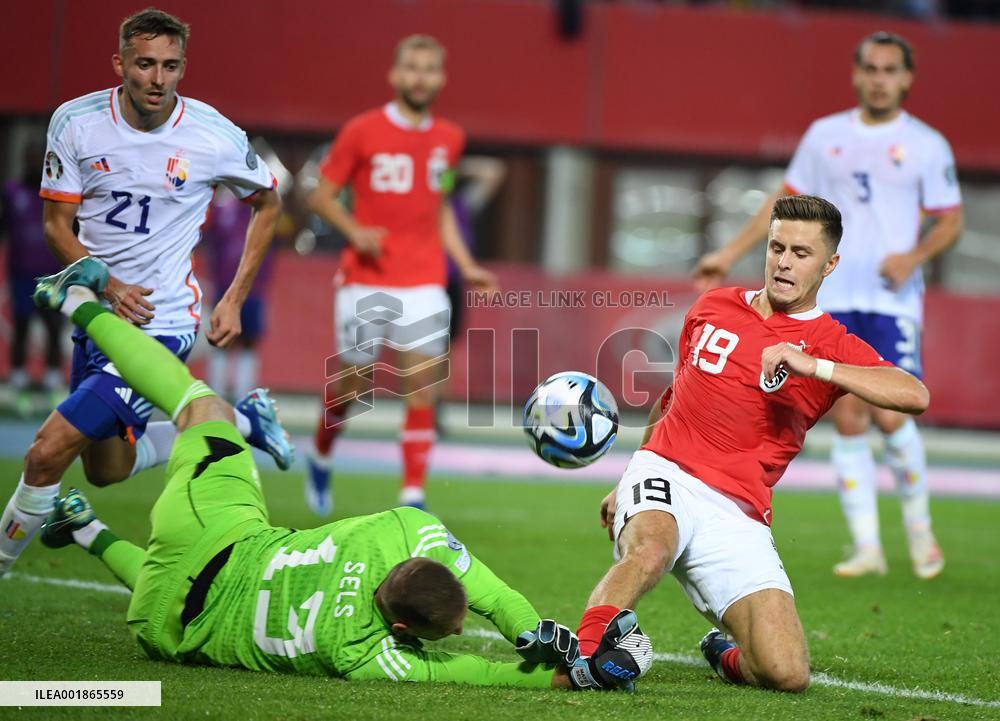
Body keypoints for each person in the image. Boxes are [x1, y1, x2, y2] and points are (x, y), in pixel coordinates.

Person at [31, 256, 651, 690]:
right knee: (161, 579)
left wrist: (527, 629)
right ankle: (86, 531)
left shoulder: (397, 532)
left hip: (217, 533)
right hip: (165, 628)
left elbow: (481, 589)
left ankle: (80, 303)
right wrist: (566, 671)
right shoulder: (360, 654)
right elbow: (483, 671)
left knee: (199, 406)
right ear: (404, 630)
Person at [577, 195, 929, 693]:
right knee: (651, 548)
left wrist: (816, 367)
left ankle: (724, 654)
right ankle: (582, 656)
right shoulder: (712, 306)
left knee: (786, 672)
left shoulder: (831, 344)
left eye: (801, 253)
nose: (784, 262)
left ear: (830, 264)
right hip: (667, 472)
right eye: (776, 247)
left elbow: (914, 394)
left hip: (740, 510)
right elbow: (673, 399)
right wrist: (629, 479)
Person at [0, 8, 291, 578]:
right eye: (146, 65)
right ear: (120, 64)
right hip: (96, 317)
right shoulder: (77, 123)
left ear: (184, 67)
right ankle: (247, 423)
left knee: (46, 452)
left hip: (162, 324)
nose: (158, 79)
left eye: (171, 66)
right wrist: (106, 281)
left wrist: (231, 298)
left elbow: (269, 204)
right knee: (107, 469)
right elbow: (57, 226)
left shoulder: (211, 134)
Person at [693, 32, 961, 579]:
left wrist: (914, 256)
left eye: (889, 70)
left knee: (890, 412)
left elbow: (950, 220)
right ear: (856, 74)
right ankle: (866, 545)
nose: (878, 78)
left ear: (906, 78)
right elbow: (780, 204)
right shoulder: (825, 135)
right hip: (833, 300)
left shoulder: (928, 145)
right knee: (848, 416)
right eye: (870, 68)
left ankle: (919, 531)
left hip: (890, 301)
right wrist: (728, 251)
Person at [304, 34, 498, 515]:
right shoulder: (362, 131)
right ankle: (321, 452)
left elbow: (441, 210)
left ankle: (412, 497)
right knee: (354, 388)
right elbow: (320, 196)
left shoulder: (449, 139)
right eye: (412, 68)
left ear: (441, 78)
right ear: (395, 75)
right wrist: (354, 230)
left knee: (422, 388)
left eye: (429, 69)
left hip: (425, 280)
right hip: (365, 278)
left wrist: (468, 265)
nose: (420, 77)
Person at [1, 142, 66, 415]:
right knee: (22, 327)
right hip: (21, 274)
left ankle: (52, 383)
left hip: (53, 276)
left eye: (38, 160)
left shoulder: (58, 195)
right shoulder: (11, 192)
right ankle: (16, 384)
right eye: (28, 158)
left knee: (53, 328)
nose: (33, 164)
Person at [203, 188, 275, 402]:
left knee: (249, 340)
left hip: (254, 286)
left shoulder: (265, 206)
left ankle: (244, 394)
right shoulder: (220, 210)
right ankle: (215, 393)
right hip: (223, 285)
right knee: (220, 338)